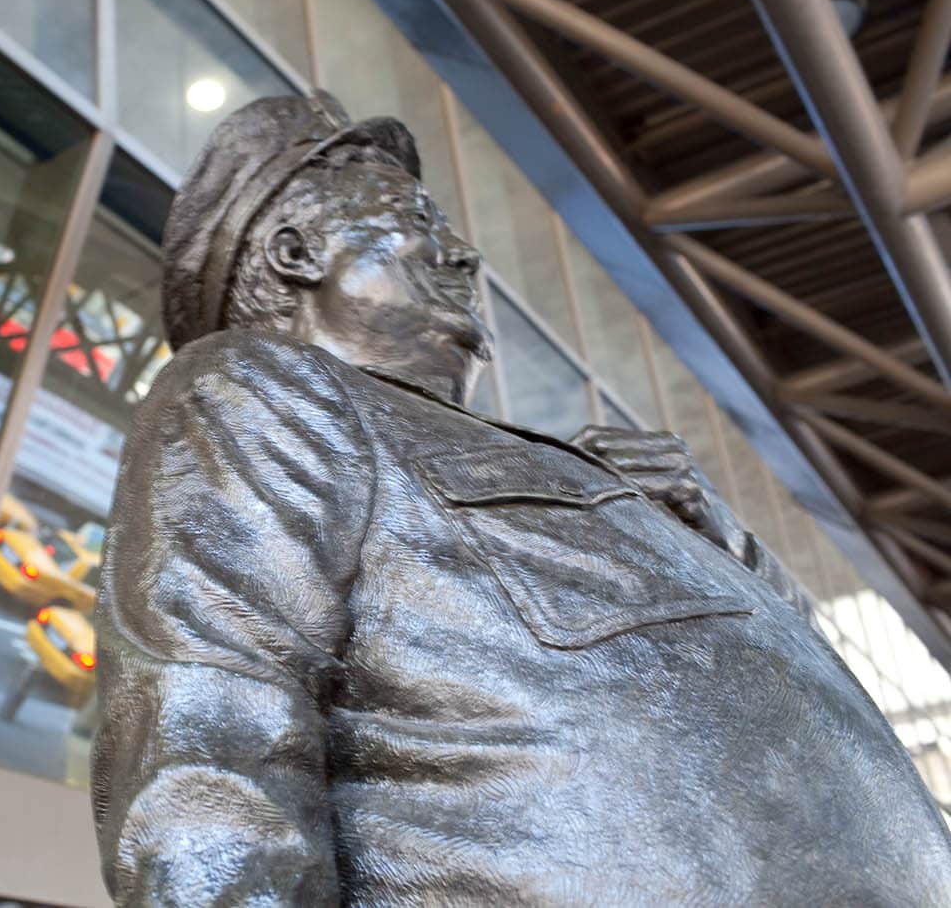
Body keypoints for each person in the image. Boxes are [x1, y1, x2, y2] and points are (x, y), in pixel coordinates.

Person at [90, 92, 951, 905]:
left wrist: (706, 532)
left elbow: (821, 690)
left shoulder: (598, 470)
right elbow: (208, 750)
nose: (465, 253)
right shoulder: (260, 389)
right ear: (295, 253)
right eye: (417, 220)